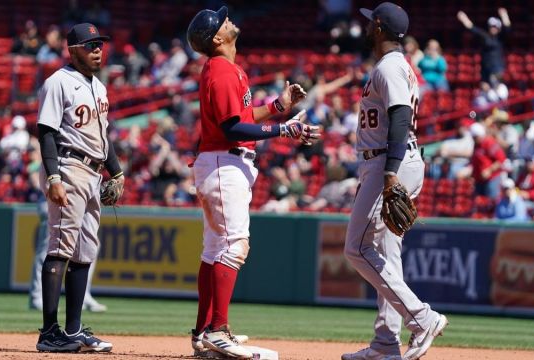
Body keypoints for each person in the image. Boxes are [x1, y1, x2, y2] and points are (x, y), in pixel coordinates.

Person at [186, 7, 320, 359]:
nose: (228, 20)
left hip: (221, 161)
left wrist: (279, 106)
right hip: (223, 160)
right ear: (217, 38)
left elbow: (240, 118)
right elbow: (233, 128)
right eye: (222, 22)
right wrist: (283, 129)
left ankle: (204, 332)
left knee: (215, 250)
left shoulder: (223, 69)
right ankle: (217, 330)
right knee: (234, 247)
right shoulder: (222, 70)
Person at [341, 4, 448, 360]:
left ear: (379, 27)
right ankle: (386, 343)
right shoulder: (395, 65)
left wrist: (389, 172)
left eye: (371, 21)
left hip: (391, 163)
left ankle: (422, 318)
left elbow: (400, 116)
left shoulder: (389, 67)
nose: (367, 25)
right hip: (393, 161)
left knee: (356, 249)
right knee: (386, 253)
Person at [35, 23, 123, 353]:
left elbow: (103, 135)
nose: (98, 49)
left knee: (84, 251)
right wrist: (53, 177)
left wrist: (117, 172)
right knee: (61, 246)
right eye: (90, 45)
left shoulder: (99, 87)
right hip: (69, 167)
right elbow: (45, 132)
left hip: (94, 172)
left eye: (99, 43)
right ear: (73, 50)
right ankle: (49, 333)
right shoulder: (58, 82)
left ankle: (72, 331)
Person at [457, 8, 511, 83]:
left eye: (495, 26)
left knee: (498, 89)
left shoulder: (500, 38)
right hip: (485, 69)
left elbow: (507, 28)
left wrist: (504, 15)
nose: (493, 28)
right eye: (492, 26)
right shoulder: (484, 36)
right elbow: (472, 28)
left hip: (497, 69)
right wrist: (464, 18)